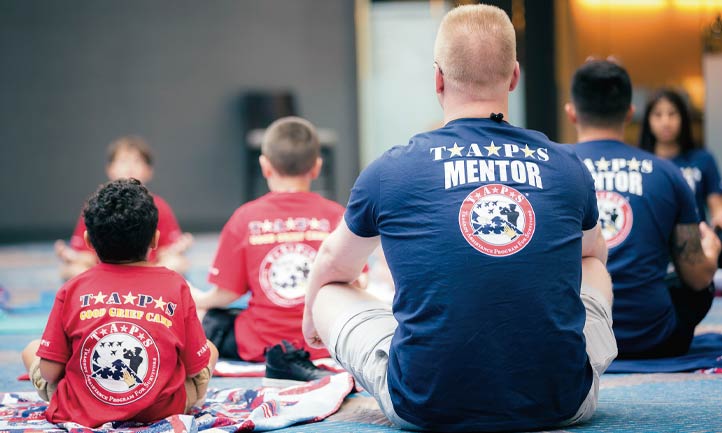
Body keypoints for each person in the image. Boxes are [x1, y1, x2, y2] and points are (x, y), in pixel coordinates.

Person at [303, 5, 617, 431]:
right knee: (594, 263)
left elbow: (331, 263)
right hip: (562, 402)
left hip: (424, 406)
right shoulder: (567, 166)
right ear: (514, 76)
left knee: (328, 290)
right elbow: (593, 253)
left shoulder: (391, 169)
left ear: (438, 79)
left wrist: (310, 315)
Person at [21, 178, 218, 428]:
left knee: (32, 349)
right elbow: (193, 368)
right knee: (209, 349)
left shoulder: (72, 289)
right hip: (161, 409)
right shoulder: (175, 285)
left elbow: (49, 373)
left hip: (81, 407)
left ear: (89, 242)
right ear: (155, 240)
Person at [568, 60, 721, 359]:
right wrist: (712, 251)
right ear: (630, 113)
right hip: (653, 339)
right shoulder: (667, 172)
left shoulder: (549, 168)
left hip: (573, 341)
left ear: (571, 112)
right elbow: (698, 278)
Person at [191, 116, 345, 369]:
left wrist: (199, 300)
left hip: (259, 343)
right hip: (323, 343)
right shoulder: (337, 216)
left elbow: (228, 293)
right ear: (316, 167)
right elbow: (356, 282)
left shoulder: (245, 218)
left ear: (265, 166)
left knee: (201, 316)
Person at [55, 136, 193, 280]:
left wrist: (174, 250)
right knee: (71, 270)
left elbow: (165, 252)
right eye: (123, 161)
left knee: (177, 263)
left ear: (149, 170)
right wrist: (74, 258)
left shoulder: (160, 207)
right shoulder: (95, 205)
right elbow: (86, 254)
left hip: (146, 274)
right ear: (110, 169)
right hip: (105, 275)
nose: (130, 167)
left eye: (137, 161)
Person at [639, 89, 722, 230]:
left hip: (696, 242)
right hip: (653, 244)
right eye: (658, 115)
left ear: (683, 118)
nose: (666, 122)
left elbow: (717, 208)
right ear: (648, 121)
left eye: (672, 114)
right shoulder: (639, 162)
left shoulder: (702, 159)